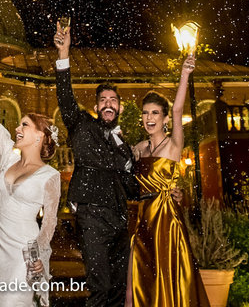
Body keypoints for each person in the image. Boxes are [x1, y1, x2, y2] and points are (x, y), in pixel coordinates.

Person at [53, 20, 140, 307]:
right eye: (103, 100)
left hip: (119, 216)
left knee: (117, 286)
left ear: (120, 107)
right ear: (96, 106)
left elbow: (132, 185)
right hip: (91, 212)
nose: (108, 104)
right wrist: (64, 56)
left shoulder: (124, 145)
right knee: (99, 286)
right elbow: (66, 97)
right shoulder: (81, 125)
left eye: (113, 100)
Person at [0, 61, 61, 306]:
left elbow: (49, 221)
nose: (17, 128)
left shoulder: (50, 176)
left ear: (40, 136)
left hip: (24, 252)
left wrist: (39, 253)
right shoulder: (9, 157)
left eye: (24, 125)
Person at [127, 55, 208, 307]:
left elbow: (177, 109)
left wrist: (184, 74)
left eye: (155, 113)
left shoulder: (173, 145)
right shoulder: (138, 148)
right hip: (142, 219)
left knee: (166, 281)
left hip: (166, 221)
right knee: (135, 288)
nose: (149, 117)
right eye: (145, 113)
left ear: (163, 118)